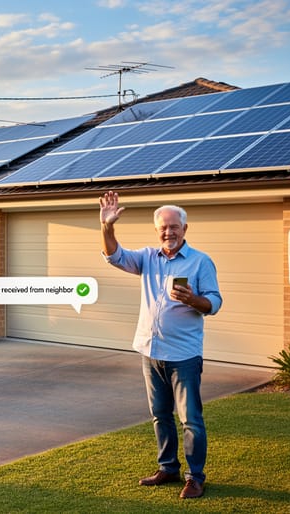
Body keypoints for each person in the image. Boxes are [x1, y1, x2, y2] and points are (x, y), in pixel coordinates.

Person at [99, 190, 222, 500]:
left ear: (184, 229)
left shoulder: (200, 261)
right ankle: (168, 467)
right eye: (163, 228)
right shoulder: (147, 258)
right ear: (157, 231)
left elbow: (216, 302)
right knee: (160, 416)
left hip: (184, 356)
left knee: (190, 419)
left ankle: (195, 477)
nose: (168, 232)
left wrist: (194, 300)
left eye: (174, 227)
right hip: (150, 353)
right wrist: (107, 227)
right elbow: (114, 256)